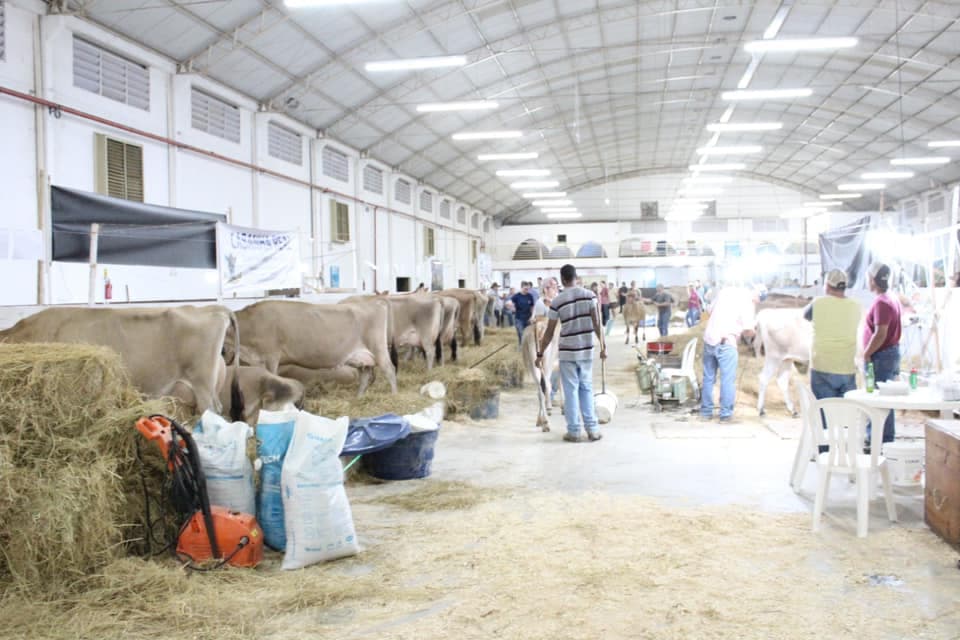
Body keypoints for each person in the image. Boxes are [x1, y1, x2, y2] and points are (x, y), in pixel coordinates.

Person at [537, 264, 606, 442]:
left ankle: (574, 431)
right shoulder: (590, 296)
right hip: (586, 351)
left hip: (567, 352)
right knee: (587, 388)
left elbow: (549, 332)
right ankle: (592, 430)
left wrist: (540, 353)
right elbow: (597, 323)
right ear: (576, 277)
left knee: (571, 391)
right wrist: (603, 346)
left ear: (562, 280)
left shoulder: (557, 302)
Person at [803, 269, 861, 409]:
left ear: (827, 285)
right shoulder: (856, 306)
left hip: (822, 367)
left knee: (825, 415)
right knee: (845, 416)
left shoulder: (817, 303)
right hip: (847, 367)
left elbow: (806, 315)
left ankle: (825, 431)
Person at [700, 286, 757, 422]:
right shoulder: (747, 302)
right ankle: (725, 414)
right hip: (725, 342)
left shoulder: (724, 292)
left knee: (708, 378)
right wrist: (753, 333)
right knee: (727, 380)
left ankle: (706, 412)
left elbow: (708, 310)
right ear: (755, 296)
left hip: (709, 339)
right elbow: (748, 329)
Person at [863, 262, 902, 444]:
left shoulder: (881, 303)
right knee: (886, 399)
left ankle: (879, 441)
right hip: (891, 354)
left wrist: (866, 352)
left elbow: (880, 333)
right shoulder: (891, 297)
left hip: (881, 356)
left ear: (873, 280)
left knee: (878, 400)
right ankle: (884, 439)